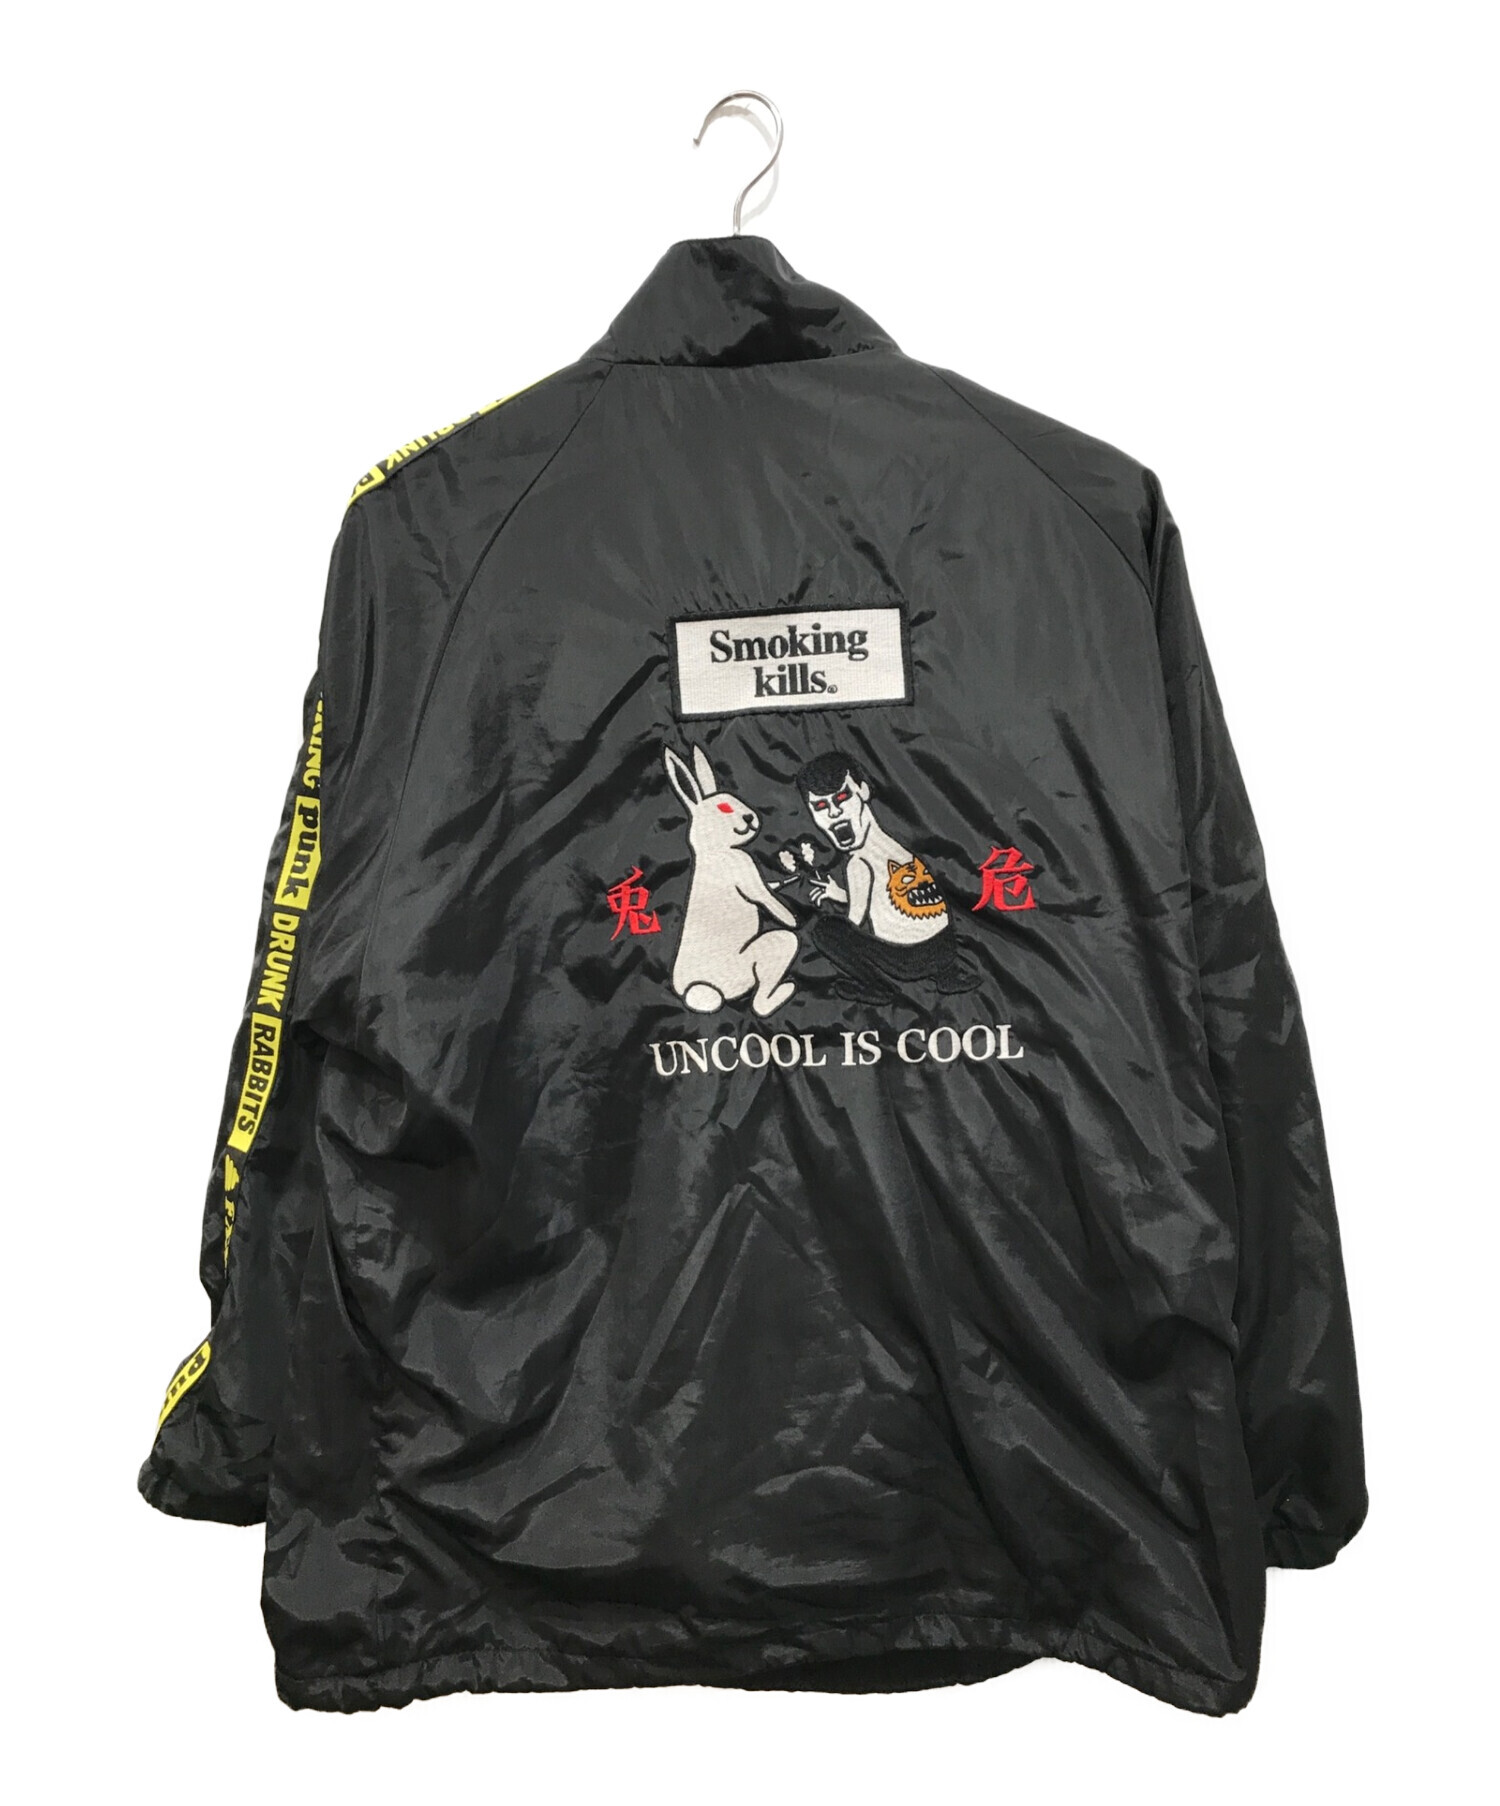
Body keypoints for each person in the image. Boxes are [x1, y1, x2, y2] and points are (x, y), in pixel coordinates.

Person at [796, 752, 979, 1001]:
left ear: (863, 791)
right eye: (820, 806)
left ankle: (878, 988)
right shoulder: (894, 845)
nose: (834, 812)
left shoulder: (858, 862)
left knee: (827, 931)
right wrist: (839, 894)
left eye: (842, 797)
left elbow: (855, 921)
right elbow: (880, 893)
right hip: (944, 947)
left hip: (907, 960)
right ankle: (948, 976)